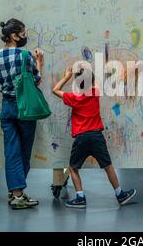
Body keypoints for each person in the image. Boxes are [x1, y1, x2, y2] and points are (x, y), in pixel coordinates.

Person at [52, 66, 137, 208]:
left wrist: (67, 76)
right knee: (108, 166)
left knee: (73, 168)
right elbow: (94, 82)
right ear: (91, 82)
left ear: (77, 84)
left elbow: (55, 90)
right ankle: (120, 194)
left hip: (81, 138)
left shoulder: (74, 97)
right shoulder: (95, 92)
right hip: (97, 136)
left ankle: (80, 198)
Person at [0, 18, 44, 210]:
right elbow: (36, 81)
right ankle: (17, 195)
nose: (24, 37)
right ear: (14, 35)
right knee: (23, 152)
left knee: (11, 151)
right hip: (25, 108)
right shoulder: (24, 55)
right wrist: (40, 61)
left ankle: (15, 192)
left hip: (7, 106)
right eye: (22, 34)